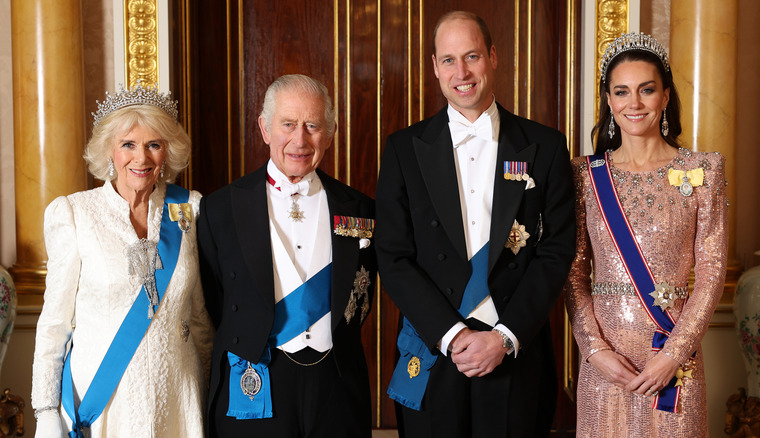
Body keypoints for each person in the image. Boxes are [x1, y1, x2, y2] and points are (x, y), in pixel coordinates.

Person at [375, 11, 576, 438]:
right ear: (434, 67)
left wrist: (504, 336)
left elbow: (556, 250)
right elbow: (392, 256)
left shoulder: (545, 145)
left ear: (493, 57)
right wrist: (451, 335)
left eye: (471, 56)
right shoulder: (403, 149)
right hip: (435, 347)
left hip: (514, 349)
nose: (461, 72)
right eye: (448, 60)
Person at [565, 32, 727, 437]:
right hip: (606, 362)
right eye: (621, 92)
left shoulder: (704, 170)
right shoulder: (584, 175)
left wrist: (674, 355)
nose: (633, 103)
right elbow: (573, 273)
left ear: (666, 96)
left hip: (673, 355)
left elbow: (711, 273)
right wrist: (593, 348)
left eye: (646, 90)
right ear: (608, 101)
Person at [198, 74, 376, 437]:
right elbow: (213, 301)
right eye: (288, 124)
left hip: (336, 384)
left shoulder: (361, 208)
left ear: (330, 132)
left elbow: (362, 295)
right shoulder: (220, 209)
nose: (300, 139)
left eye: (312, 126)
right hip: (256, 376)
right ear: (265, 128)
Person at [31, 83, 213, 437]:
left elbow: (199, 317)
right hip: (103, 402)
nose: (141, 158)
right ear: (109, 151)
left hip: (178, 396)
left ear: (167, 152)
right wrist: (45, 410)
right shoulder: (75, 213)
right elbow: (55, 323)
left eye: (153, 145)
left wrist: (210, 395)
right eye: (128, 144)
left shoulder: (188, 209)